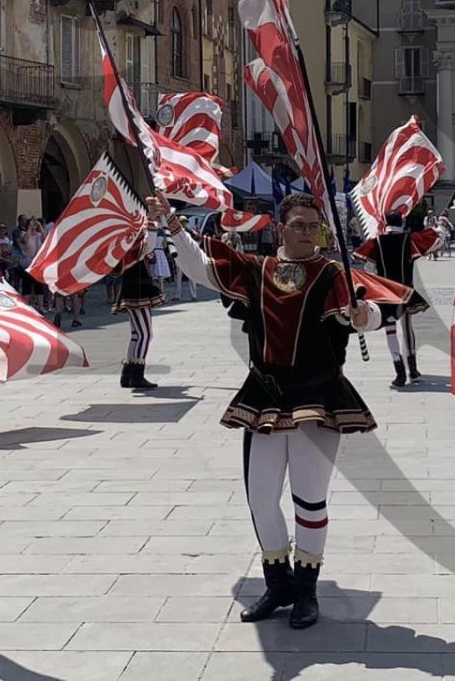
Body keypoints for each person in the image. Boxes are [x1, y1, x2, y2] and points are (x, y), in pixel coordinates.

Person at [157, 191, 382, 630]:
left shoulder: (333, 272)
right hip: (265, 396)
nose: (307, 233)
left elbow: (366, 308)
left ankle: (306, 590)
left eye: (313, 226)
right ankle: (278, 584)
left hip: (318, 398)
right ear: (281, 228)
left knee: (309, 500)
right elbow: (202, 269)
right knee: (260, 499)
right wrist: (173, 226)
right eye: (298, 225)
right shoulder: (258, 269)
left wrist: (363, 316)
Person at [353, 212, 440, 388]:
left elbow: (362, 260)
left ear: (385, 222)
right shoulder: (409, 239)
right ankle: (412, 368)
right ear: (402, 221)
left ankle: (399, 371)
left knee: (390, 331)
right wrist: (440, 227)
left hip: (385, 293)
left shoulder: (377, 241)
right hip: (405, 291)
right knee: (407, 329)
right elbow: (435, 240)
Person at [114, 228, 167, 391]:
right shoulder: (134, 244)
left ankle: (128, 375)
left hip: (134, 286)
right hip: (138, 288)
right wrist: (151, 225)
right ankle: (137, 375)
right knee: (145, 334)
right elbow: (149, 245)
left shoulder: (128, 243)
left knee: (137, 334)